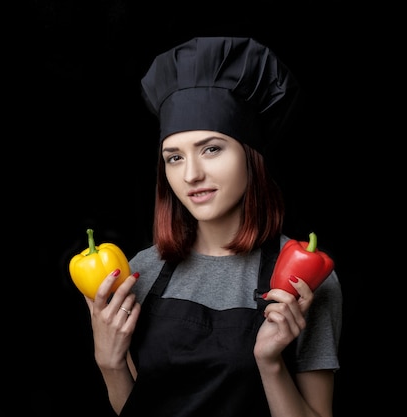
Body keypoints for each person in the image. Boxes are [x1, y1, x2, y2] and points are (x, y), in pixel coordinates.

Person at [84, 36, 343, 417]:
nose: (191, 174)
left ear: (250, 156)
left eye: (211, 149)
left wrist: (271, 364)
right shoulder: (143, 270)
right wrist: (110, 364)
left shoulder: (304, 276)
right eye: (174, 157)